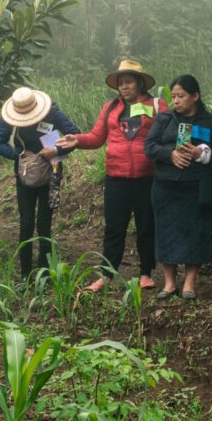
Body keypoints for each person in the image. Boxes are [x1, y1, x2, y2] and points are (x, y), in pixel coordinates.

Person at [59, 59, 167, 293]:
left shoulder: (157, 105)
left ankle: (146, 273)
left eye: (128, 82)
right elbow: (97, 137)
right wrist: (77, 140)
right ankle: (107, 275)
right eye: (120, 83)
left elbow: (169, 134)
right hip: (116, 177)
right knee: (114, 228)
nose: (124, 87)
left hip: (148, 177)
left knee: (146, 225)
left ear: (140, 83)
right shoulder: (111, 108)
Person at [144, 74, 212, 300]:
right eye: (173, 96)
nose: (176, 101)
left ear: (195, 96)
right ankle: (169, 283)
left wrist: (201, 154)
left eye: (181, 96)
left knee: (196, 233)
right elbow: (149, 146)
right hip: (165, 185)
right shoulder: (165, 119)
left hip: (197, 185)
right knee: (165, 232)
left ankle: (189, 283)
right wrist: (170, 154)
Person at [0, 87, 79, 280]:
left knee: (43, 223)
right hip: (25, 175)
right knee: (26, 223)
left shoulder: (51, 110)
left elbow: (74, 135)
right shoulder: (10, 117)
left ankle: (44, 274)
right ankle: (25, 274)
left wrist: (55, 150)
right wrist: (19, 154)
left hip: (52, 173)